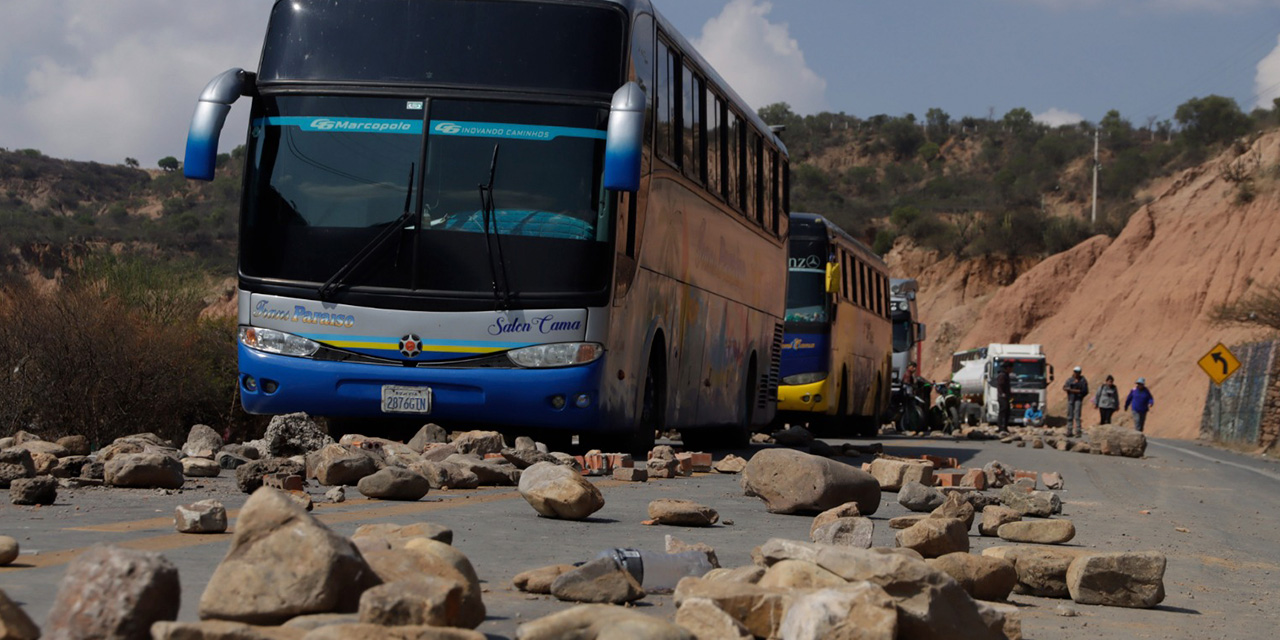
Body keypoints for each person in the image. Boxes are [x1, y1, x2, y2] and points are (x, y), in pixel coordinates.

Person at [1063, 366, 1089, 438]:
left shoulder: (1083, 380)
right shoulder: (1070, 380)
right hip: (1070, 399)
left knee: (1077, 415)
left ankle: (1078, 430)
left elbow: (1085, 391)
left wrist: (1075, 391)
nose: (1076, 374)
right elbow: (1065, 387)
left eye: (1078, 372)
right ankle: (1069, 430)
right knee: (1069, 415)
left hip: (1078, 399)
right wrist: (1069, 389)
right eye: (1075, 372)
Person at [995, 361, 1013, 432]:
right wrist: (1002, 394)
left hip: (1005, 397)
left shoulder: (1006, 375)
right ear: (1008, 368)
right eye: (1011, 368)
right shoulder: (1002, 375)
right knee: (1003, 411)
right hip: (1002, 397)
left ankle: (1004, 427)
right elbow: (1000, 386)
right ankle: (1001, 427)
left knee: (1007, 412)